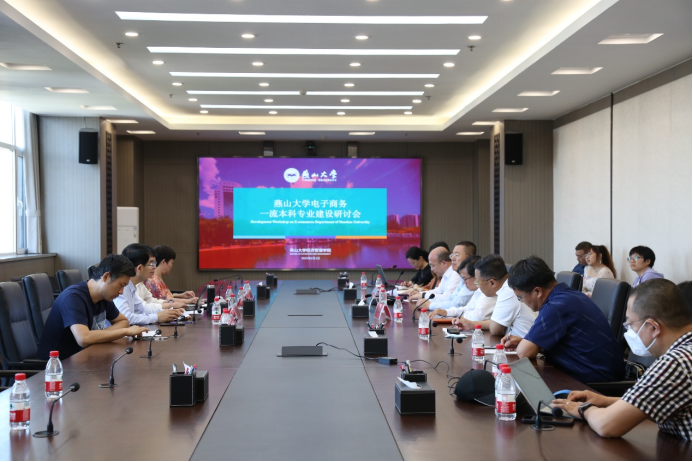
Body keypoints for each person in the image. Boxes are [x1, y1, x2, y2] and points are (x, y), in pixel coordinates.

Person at [553, 279, 692, 441]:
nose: (629, 331)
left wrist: (582, 409)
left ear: (653, 327)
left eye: (631, 324)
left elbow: (606, 425)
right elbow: (656, 402)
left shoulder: (676, 362)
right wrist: (606, 401)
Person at [501, 256, 625, 383]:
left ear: (537, 291)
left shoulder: (556, 306)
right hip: (596, 374)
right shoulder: (567, 295)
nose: (522, 301)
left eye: (520, 297)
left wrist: (525, 344)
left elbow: (524, 352)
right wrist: (526, 341)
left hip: (595, 384)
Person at [37, 255, 149, 361]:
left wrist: (97, 335)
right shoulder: (73, 298)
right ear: (106, 277)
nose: (121, 292)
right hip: (58, 365)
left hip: (83, 357)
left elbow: (123, 321)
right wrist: (125, 331)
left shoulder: (104, 297)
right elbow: (83, 339)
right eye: (121, 285)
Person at [453, 255, 536, 337]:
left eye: (478, 282)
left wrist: (473, 324)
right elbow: (496, 322)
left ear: (492, 283)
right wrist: (471, 324)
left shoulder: (508, 291)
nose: (478, 286)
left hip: (526, 342)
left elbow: (495, 329)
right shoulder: (508, 285)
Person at [115, 244, 183, 326]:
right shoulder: (121, 288)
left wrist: (168, 312)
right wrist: (157, 317)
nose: (154, 267)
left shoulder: (131, 286)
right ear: (139, 268)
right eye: (151, 264)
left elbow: (142, 309)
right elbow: (126, 318)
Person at [429, 256, 496, 321]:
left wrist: (458, 317)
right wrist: (446, 312)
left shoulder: (488, 292)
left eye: (465, 279)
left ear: (476, 276)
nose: (463, 283)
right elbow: (467, 308)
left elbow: (476, 317)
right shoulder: (478, 290)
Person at [420, 241, 478, 312]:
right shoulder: (462, 277)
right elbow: (450, 298)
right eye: (452, 255)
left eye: (456, 255)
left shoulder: (472, 278)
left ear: (469, 258)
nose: (452, 259)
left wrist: (430, 305)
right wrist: (428, 302)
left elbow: (458, 304)